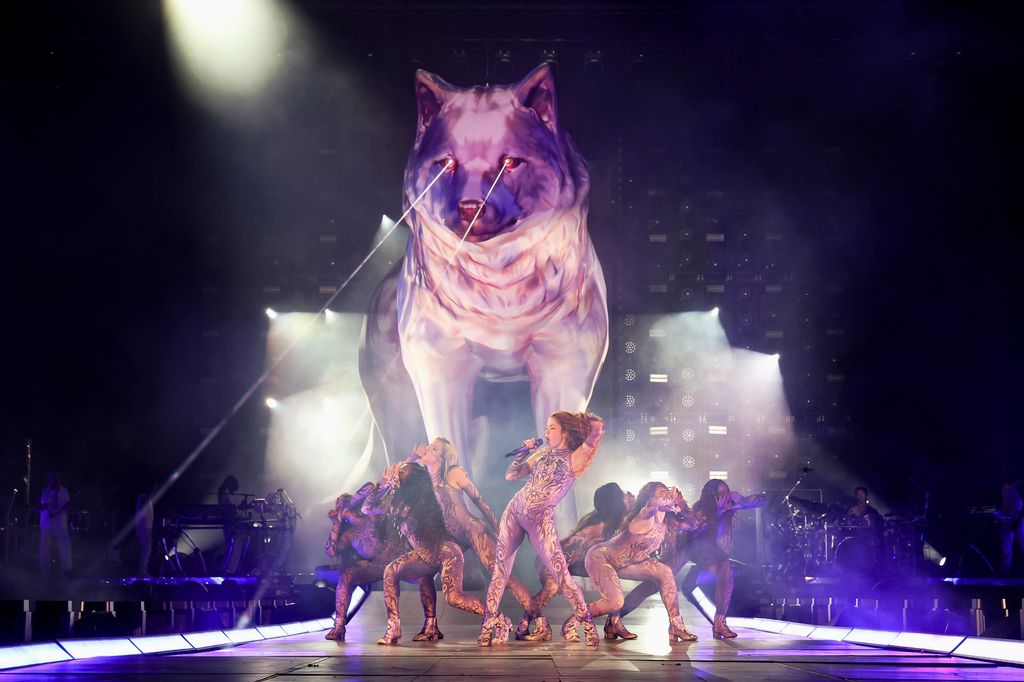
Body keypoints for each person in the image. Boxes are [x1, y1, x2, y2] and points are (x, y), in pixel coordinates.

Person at [479, 411, 605, 647]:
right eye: (546, 428)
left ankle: (585, 623)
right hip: (514, 512)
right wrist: (525, 452)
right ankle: (489, 625)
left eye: (552, 428)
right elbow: (511, 475)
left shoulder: (574, 458)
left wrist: (586, 422)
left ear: (565, 432)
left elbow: (595, 433)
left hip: (540, 520)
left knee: (561, 575)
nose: (546, 432)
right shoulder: (541, 454)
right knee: (500, 570)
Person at [410, 438, 539, 638]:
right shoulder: (424, 476)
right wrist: (412, 457)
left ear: (443, 457)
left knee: (502, 577)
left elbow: (478, 500)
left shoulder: (453, 473)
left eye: (434, 448)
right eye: (429, 445)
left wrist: (498, 528)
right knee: (429, 575)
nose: (427, 448)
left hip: (473, 530)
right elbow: (401, 475)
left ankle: (539, 621)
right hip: (453, 538)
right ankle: (432, 627)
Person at [370, 462, 501, 645]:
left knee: (453, 599)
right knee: (390, 571)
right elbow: (368, 509)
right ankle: (395, 629)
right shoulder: (397, 499)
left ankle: (497, 617)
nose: (397, 473)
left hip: (446, 554)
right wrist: (382, 484)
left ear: (412, 481)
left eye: (402, 471)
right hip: (425, 556)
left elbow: (391, 506)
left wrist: (389, 487)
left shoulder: (417, 501)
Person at [579, 481, 696, 643]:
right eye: (661, 492)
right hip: (603, 558)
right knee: (615, 601)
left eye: (667, 491)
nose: (666, 494)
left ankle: (676, 625)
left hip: (626, 563)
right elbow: (652, 504)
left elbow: (693, 525)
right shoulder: (645, 514)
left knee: (665, 572)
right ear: (650, 497)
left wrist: (682, 505)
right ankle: (575, 620)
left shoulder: (667, 521)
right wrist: (669, 499)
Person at [324, 482, 437, 642]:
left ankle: (431, 625)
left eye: (347, 508)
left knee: (424, 576)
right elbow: (330, 552)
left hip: (400, 560)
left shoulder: (370, 514)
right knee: (347, 576)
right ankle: (339, 626)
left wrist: (348, 502)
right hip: (378, 566)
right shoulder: (349, 535)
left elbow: (370, 487)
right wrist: (335, 522)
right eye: (343, 512)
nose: (345, 512)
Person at [525, 482, 629, 641]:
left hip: (571, 563)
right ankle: (524, 625)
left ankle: (614, 622)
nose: (626, 495)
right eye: (622, 495)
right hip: (552, 561)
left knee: (611, 579)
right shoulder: (597, 528)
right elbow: (565, 549)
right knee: (549, 590)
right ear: (615, 503)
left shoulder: (612, 525)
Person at [686, 479, 765, 639]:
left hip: (716, 552)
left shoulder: (730, 504)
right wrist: (717, 513)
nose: (724, 496)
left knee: (727, 573)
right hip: (694, 549)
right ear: (711, 497)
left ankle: (720, 624)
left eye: (726, 492)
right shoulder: (700, 510)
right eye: (719, 494)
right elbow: (695, 534)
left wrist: (741, 502)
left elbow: (761, 500)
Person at [39, 473, 72, 578]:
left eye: (54, 479)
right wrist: (43, 508)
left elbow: (66, 505)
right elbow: (40, 504)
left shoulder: (64, 491)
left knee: (64, 547)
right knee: (44, 548)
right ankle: (45, 572)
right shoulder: (45, 490)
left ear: (58, 480)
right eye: (50, 480)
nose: (51, 481)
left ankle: (65, 571)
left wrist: (56, 512)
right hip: (46, 523)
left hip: (60, 524)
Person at [999, 479, 1024, 576]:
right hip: (1008, 521)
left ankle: (1003, 578)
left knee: (1007, 555)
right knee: (1006, 556)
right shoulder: (1006, 489)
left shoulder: (1011, 488)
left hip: (1016, 520)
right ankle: (1003, 579)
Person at [135, 491, 154, 577]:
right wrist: (147, 530)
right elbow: (144, 516)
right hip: (144, 528)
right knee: (146, 550)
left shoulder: (146, 499)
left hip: (145, 528)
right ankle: (142, 572)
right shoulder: (144, 499)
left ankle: (142, 571)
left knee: (147, 550)